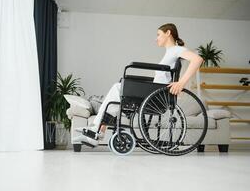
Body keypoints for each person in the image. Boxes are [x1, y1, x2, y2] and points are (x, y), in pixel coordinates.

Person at [73, 23, 204, 147]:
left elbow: (198, 59)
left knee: (117, 88)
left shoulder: (176, 49)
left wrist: (181, 83)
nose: (156, 38)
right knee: (118, 91)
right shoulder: (170, 52)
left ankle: (97, 130)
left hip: (157, 95)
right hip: (155, 92)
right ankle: (99, 130)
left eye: (158, 34)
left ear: (168, 33)